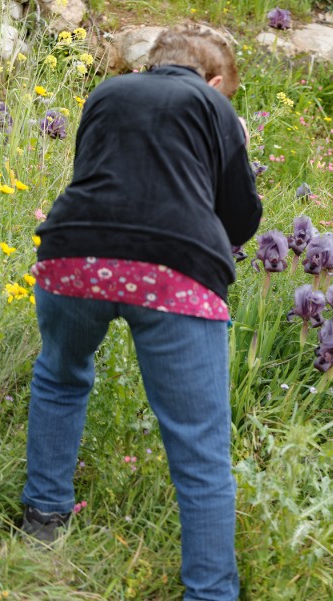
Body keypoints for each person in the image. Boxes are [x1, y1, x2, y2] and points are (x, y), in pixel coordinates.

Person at [20, 24, 262, 601]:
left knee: (59, 376)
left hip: (74, 255)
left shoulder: (106, 94)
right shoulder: (214, 106)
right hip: (174, 272)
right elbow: (241, 221)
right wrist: (236, 144)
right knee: (200, 447)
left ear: (152, 64)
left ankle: (42, 523)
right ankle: (209, 593)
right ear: (214, 80)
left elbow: (96, 175)